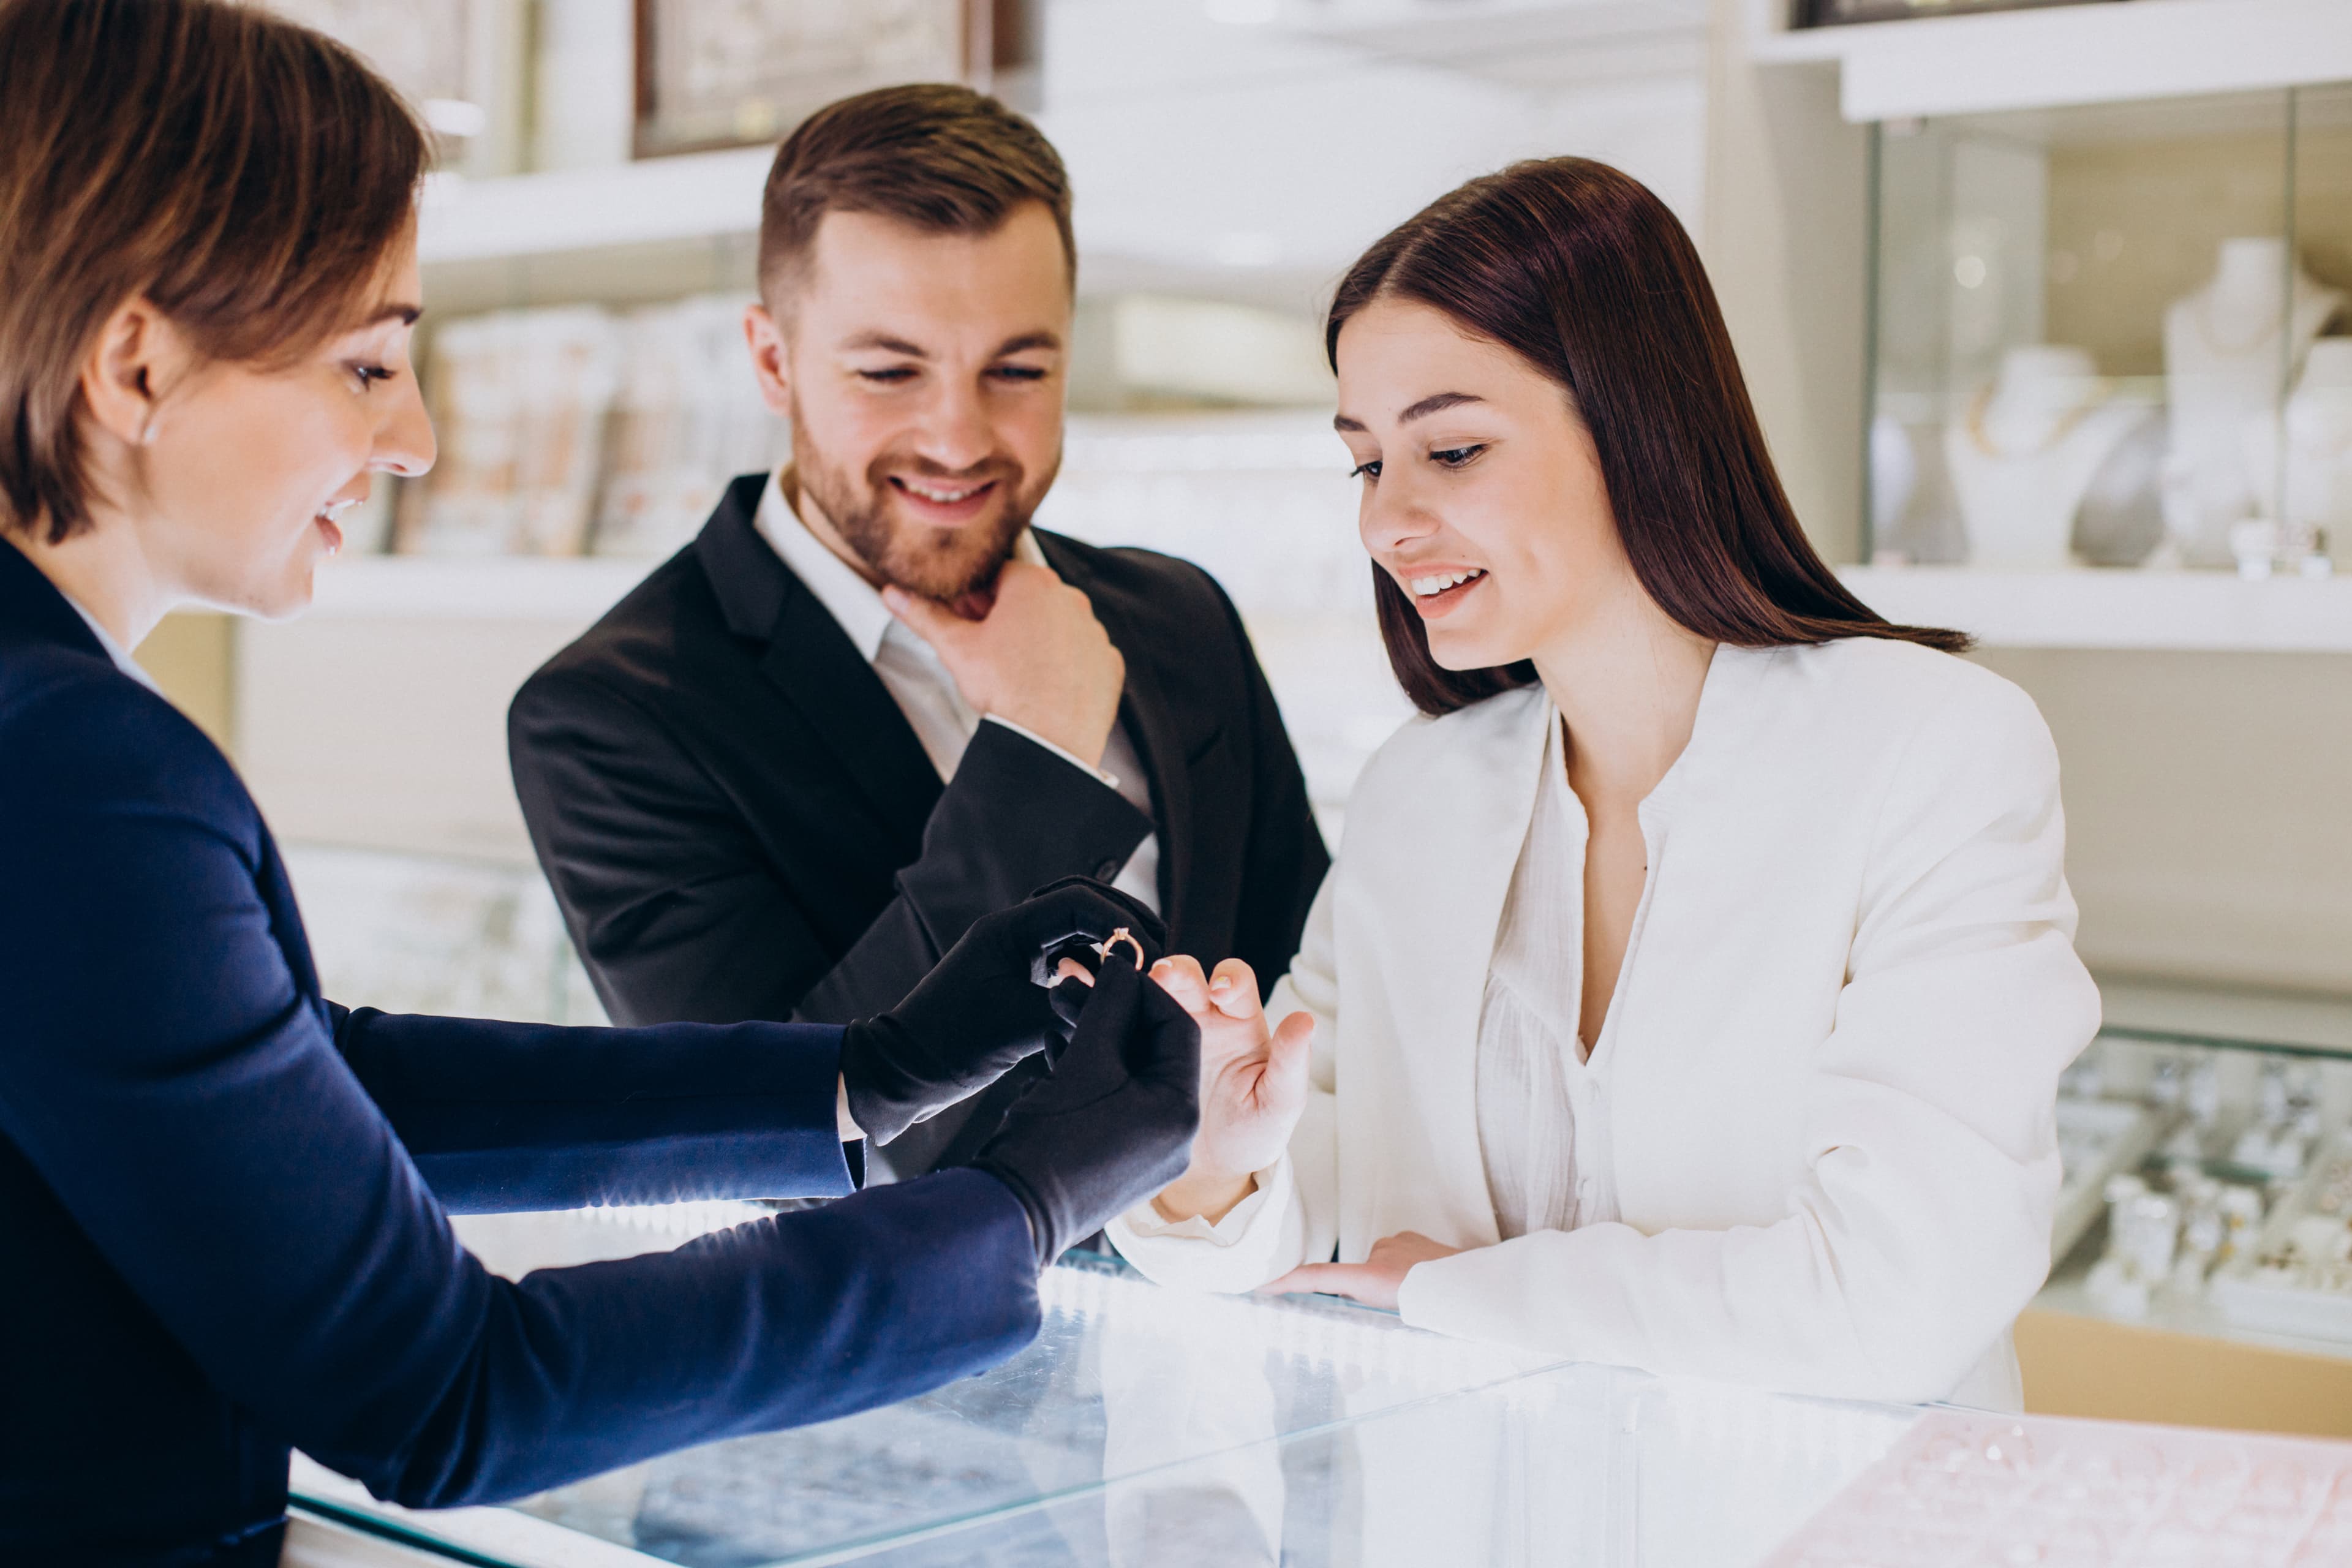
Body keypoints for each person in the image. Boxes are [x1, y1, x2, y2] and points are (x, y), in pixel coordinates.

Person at [0, 4, 1197, 1561]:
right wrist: (1016, 1212)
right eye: (367, 363)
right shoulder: (80, 771)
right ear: (137, 361)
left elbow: (311, 1087)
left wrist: (873, 1067)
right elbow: (447, 1393)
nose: (416, 436)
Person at [1110, 157, 2101, 1412]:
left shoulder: (1931, 749)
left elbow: (1898, 1299)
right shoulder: (1420, 791)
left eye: (1452, 449)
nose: (1385, 520)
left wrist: (1454, 1291)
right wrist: (1219, 1165)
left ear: (1638, 420)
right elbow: (1310, 1224)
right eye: (1366, 464)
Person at [508, 83, 1329, 1182]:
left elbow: (1315, 995)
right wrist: (1039, 748)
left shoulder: (1180, 616)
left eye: (1018, 370)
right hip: (924, 1344)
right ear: (771, 361)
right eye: (890, 371)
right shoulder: (609, 718)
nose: (958, 437)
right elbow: (785, 1142)